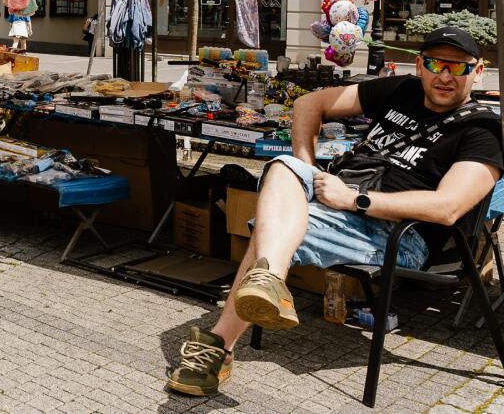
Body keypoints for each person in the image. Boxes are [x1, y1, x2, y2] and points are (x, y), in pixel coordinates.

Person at [165, 26, 503, 398]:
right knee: (282, 166)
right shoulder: (402, 89)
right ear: (420, 65)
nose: (443, 75)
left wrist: (354, 200)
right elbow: (308, 104)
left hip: (396, 234)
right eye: (435, 63)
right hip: (339, 206)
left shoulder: (482, 131)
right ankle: (268, 282)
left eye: (457, 67)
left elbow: (448, 208)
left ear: (478, 71)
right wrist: (308, 171)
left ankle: (218, 349)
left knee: (272, 229)